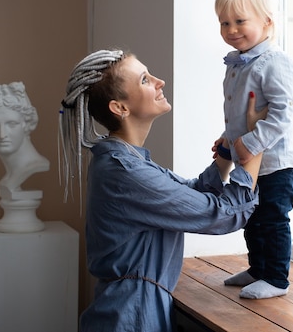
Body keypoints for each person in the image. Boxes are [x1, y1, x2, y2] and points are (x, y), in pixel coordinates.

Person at [59, 49, 266, 332]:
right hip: (130, 319)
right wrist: (255, 144)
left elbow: (188, 194)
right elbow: (223, 214)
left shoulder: (123, 161)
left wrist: (226, 155)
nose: (160, 82)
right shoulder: (124, 171)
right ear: (120, 107)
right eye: (145, 79)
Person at [213, 0, 293, 299]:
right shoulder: (237, 65)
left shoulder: (274, 62)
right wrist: (227, 140)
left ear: (266, 21)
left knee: (272, 218)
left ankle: (276, 278)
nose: (231, 29)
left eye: (240, 21)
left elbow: (283, 114)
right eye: (224, 22)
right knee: (251, 214)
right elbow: (240, 114)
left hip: (277, 161)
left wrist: (248, 143)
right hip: (250, 161)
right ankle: (257, 268)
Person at [0, 81, 49, 194]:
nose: (2, 134)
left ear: (28, 124)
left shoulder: (36, 167)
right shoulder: (9, 176)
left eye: (11, 124)